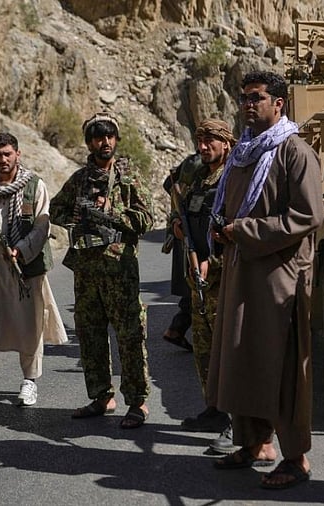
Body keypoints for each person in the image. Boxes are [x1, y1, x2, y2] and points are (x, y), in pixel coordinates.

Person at [207, 71, 323, 488]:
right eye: (244, 98)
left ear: (278, 103)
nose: (248, 104)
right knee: (243, 358)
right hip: (243, 270)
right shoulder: (244, 154)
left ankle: (296, 458)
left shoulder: (295, 151)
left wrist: (244, 230)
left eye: (256, 97)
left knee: (284, 368)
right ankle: (255, 443)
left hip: (280, 277)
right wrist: (222, 229)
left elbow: (307, 215)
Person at [50, 112, 154, 429]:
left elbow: (146, 219)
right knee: (90, 336)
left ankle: (137, 402)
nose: (104, 142)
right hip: (86, 272)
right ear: (89, 143)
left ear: (116, 140)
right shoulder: (79, 180)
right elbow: (55, 209)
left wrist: (113, 212)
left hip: (120, 271)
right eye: (97, 137)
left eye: (109, 136)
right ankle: (101, 397)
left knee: (130, 337)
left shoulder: (128, 179)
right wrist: (76, 217)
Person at [0, 132, 68, 409]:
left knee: (29, 327)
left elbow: (42, 226)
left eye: (8, 154)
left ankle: (29, 382)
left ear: (18, 154)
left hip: (25, 269)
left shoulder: (34, 186)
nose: (3, 159)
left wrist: (20, 250)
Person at [170, 119, 237, 439]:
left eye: (210, 141)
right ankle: (214, 410)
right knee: (204, 349)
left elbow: (239, 226)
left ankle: (237, 419)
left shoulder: (234, 178)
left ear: (226, 143)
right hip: (198, 277)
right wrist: (175, 225)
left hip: (226, 277)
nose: (203, 147)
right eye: (200, 141)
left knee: (230, 351)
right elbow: (181, 210)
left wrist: (214, 260)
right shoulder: (197, 177)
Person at [160, 153, 198, 352]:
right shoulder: (198, 163)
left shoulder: (193, 161)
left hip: (185, 228)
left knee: (193, 285)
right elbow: (170, 184)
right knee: (197, 285)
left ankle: (177, 328)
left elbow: (168, 184)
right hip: (190, 231)